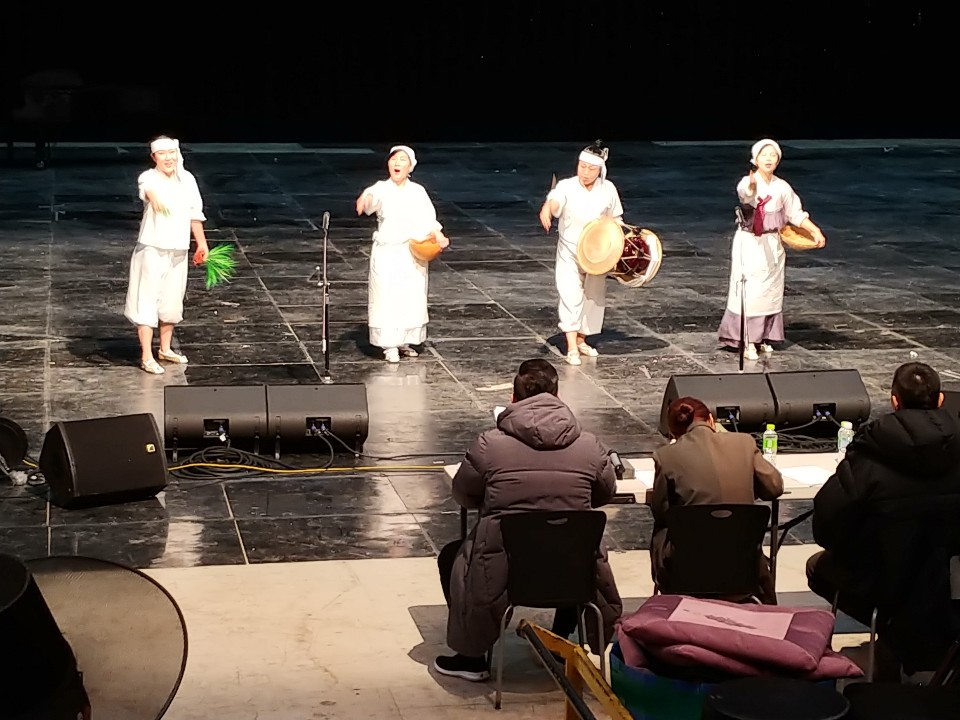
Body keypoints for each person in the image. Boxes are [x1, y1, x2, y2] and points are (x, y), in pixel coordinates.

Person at [434, 358, 623, 681]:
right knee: (573, 544)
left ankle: (473, 656)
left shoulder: (488, 445)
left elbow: (464, 495)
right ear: (558, 395)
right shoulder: (591, 446)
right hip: (572, 572)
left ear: (513, 398)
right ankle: (560, 641)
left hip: (505, 569)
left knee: (452, 556)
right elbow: (605, 494)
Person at [807, 362, 960, 679]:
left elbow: (827, 525)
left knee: (817, 567)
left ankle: (894, 634)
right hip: (948, 580)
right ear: (941, 400)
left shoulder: (868, 456)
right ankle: (905, 636)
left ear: (894, 400)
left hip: (884, 581)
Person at [650, 397, 783, 604]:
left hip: (689, 571)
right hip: (743, 569)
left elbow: (660, 510)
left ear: (674, 434)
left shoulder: (666, 456)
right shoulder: (744, 443)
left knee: (662, 530)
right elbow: (774, 488)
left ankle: (666, 598)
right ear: (711, 420)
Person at [717, 139, 826, 360]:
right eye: (764, 155)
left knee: (771, 291)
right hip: (750, 244)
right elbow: (745, 194)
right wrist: (750, 188)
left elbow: (796, 213)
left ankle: (765, 336)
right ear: (755, 159)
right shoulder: (749, 182)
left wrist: (815, 231)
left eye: (773, 155)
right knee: (751, 291)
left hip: (773, 243)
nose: (769, 159)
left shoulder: (782, 187)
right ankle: (748, 340)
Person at [356, 145, 449, 363]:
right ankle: (389, 345)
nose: (397, 163)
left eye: (403, 160)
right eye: (394, 159)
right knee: (387, 296)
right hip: (388, 252)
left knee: (410, 297)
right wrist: (364, 200)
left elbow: (428, 219)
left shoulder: (418, 191)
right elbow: (370, 197)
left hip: (412, 253)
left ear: (411, 167)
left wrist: (439, 235)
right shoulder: (381, 187)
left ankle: (405, 340)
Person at [123, 136, 208, 374]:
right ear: (154, 157)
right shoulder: (149, 177)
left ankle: (166, 349)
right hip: (152, 248)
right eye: (162, 154)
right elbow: (146, 189)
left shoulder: (187, 180)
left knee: (171, 299)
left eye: (172, 152)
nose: (168, 158)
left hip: (178, 249)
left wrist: (201, 244)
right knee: (147, 300)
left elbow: (195, 214)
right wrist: (153, 197)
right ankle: (147, 356)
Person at [539, 141, 624, 366]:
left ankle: (582, 339)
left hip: (597, 253)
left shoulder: (608, 189)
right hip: (569, 250)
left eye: (591, 169)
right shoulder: (567, 186)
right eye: (582, 166)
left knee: (593, 297)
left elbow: (615, 219)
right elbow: (556, 201)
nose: (585, 172)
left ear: (600, 170)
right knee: (570, 295)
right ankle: (571, 346)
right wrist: (548, 207)